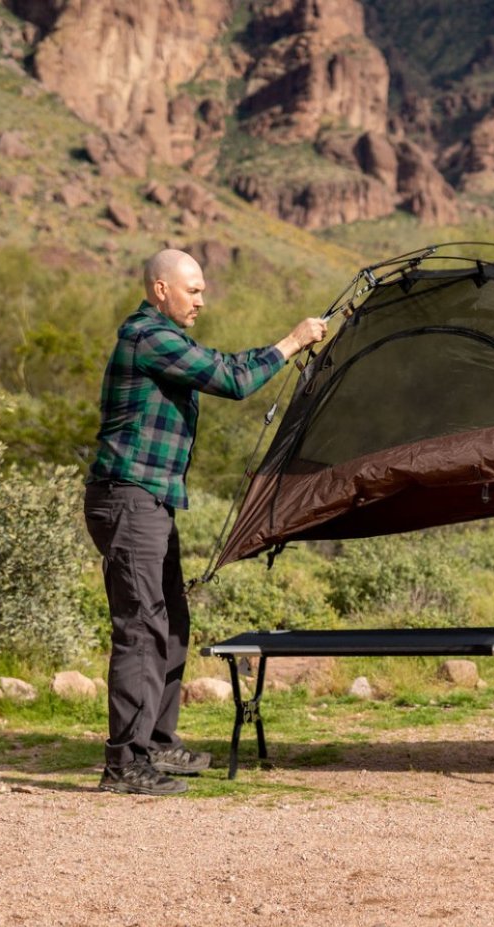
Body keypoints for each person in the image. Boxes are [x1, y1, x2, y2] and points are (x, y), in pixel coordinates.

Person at [84, 248, 327, 795]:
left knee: (170, 623)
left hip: (148, 500)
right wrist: (290, 343)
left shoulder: (167, 336)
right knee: (141, 630)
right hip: (128, 499)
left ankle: (157, 745)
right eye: (192, 290)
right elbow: (230, 378)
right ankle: (123, 764)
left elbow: (219, 363)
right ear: (160, 289)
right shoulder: (148, 337)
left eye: (202, 289)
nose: (202, 299)